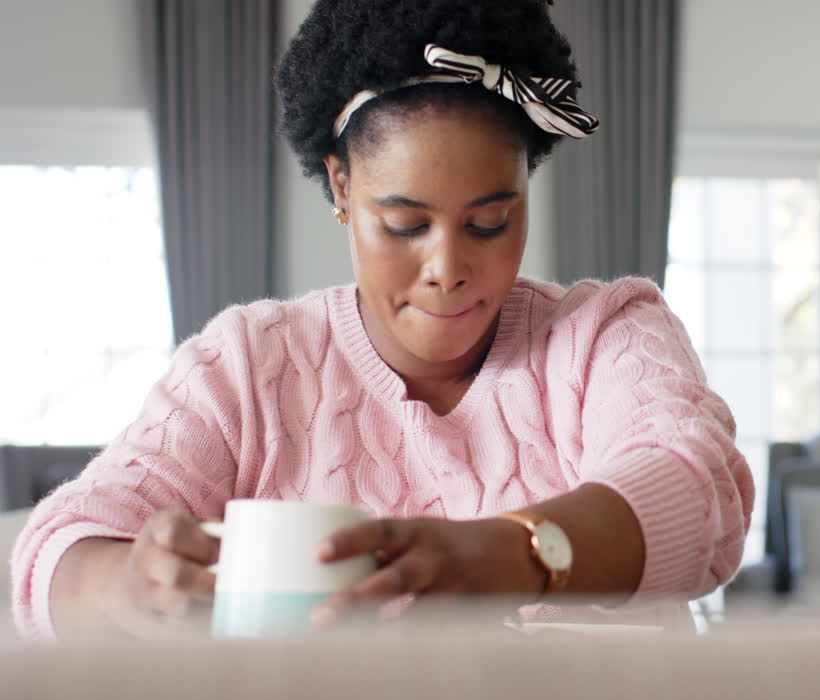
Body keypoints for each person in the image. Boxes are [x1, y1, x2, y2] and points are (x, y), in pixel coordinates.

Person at [10, 0, 752, 640]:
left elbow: (700, 493)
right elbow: (53, 555)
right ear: (341, 184)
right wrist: (127, 586)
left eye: (490, 222)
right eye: (404, 224)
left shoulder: (606, 335)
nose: (447, 267)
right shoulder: (246, 366)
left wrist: (503, 556)